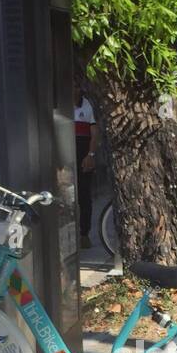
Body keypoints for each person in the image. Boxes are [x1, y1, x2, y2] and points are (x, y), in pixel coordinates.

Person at [74, 91, 99, 248]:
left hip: (83, 155)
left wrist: (90, 155)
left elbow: (95, 133)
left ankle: (84, 234)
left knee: (84, 196)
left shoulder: (88, 105)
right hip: (64, 157)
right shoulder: (58, 104)